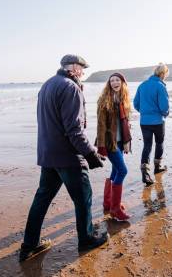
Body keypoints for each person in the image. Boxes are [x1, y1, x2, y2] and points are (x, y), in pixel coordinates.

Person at [20, 54, 108, 262]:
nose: (83, 73)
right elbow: (74, 130)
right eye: (82, 69)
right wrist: (91, 154)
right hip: (68, 157)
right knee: (83, 198)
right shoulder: (70, 87)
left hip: (49, 154)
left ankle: (29, 246)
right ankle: (86, 239)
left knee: (41, 199)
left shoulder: (47, 85)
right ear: (75, 68)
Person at [95, 72, 132, 222]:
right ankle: (115, 209)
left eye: (117, 80)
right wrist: (101, 147)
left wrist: (127, 142)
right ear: (109, 84)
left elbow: (126, 124)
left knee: (116, 170)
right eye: (112, 81)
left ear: (123, 82)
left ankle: (108, 202)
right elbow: (101, 125)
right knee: (123, 171)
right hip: (109, 142)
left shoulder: (123, 100)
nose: (114, 83)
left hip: (119, 141)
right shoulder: (105, 100)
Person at [133, 63, 170, 185]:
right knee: (159, 143)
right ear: (163, 74)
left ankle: (145, 173)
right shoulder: (160, 86)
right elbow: (164, 106)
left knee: (147, 145)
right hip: (158, 121)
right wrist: (164, 113)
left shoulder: (142, 85)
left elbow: (136, 103)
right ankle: (157, 167)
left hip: (144, 121)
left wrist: (144, 112)